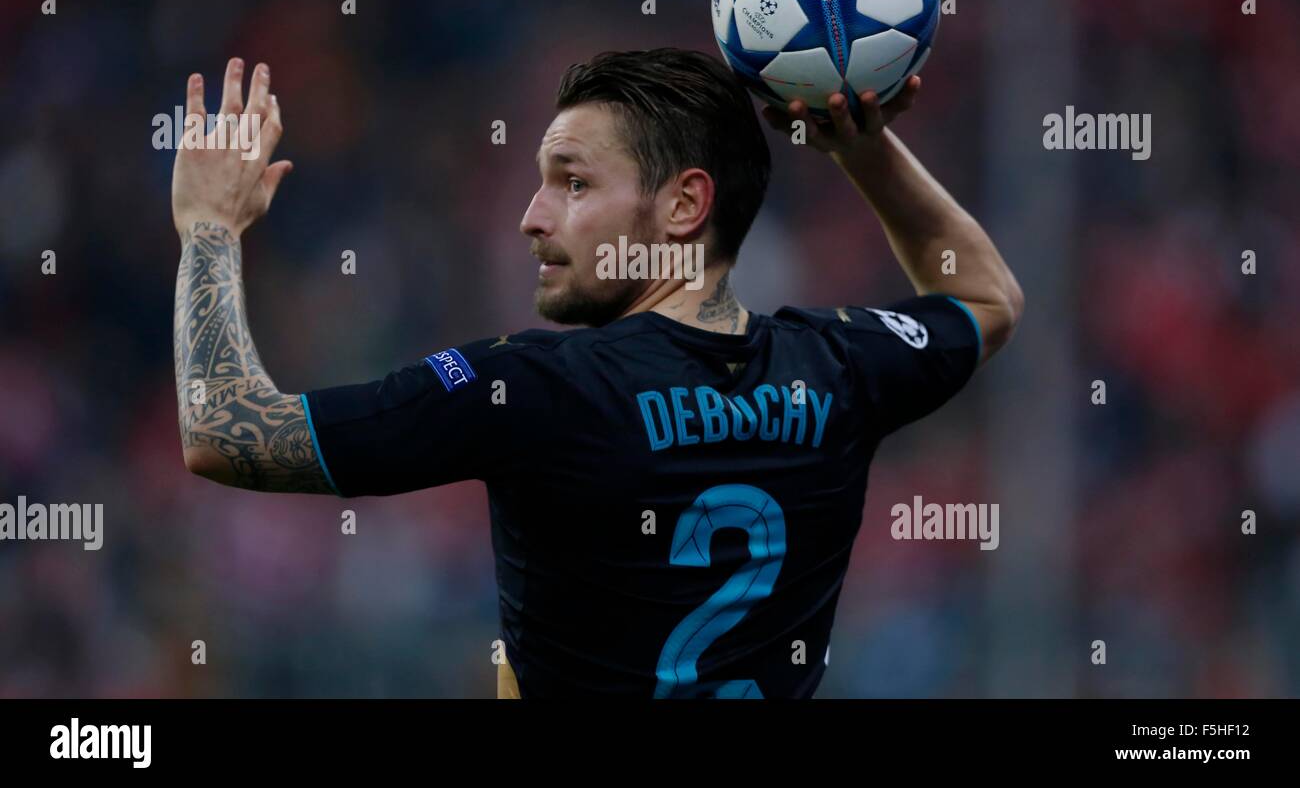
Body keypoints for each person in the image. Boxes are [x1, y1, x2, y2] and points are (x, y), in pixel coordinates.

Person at [171, 48, 1024, 698]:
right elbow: (984, 298)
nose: (532, 219)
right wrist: (861, 149)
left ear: (685, 205)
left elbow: (223, 431)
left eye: (572, 184)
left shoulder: (537, 390)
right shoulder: (837, 366)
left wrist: (211, 229)